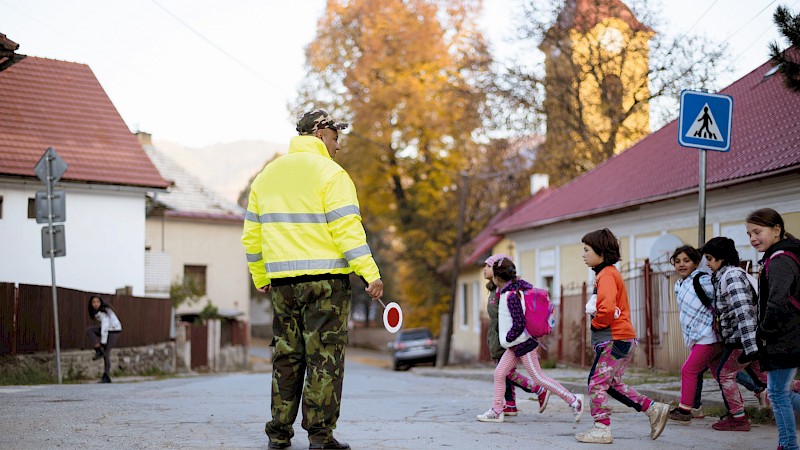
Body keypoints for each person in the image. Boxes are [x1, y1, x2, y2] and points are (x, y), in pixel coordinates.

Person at [242, 108, 384, 450]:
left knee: (286, 356)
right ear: (320, 133)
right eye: (336, 139)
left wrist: (261, 275)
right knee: (324, 356)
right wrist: (370, 274)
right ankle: (320, 436)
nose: (338, 147)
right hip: (326, 283)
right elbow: (347, 231)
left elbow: (252, 235)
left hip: (282, 284)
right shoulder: (332, 174)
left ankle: (278, 433)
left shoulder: (266, 176)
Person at [575, 229, 669, 444]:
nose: (583, 254)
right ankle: (653, 409)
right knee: (611, 384)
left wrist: (597, 325)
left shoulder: (606, 274)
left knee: (596, 383)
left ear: (600, 251)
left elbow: (606, 309)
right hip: (620, 339)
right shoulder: (607, 273)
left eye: (586, 250)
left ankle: (601, 428)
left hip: (613, 339)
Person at [476, 257, 583, 423]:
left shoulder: (511, 296)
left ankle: (574, 400)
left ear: (497, 277)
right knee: (499, 373)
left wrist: (508, 337)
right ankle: (497, 410)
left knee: (539, 378)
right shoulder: (506, 292)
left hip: (524, 344)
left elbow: (519, 323)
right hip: (514, 346)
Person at [745, 208, 800, 450]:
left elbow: (777, 301)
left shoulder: (780, 259)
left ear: (776, 229)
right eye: (749, 234)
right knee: (780, 392)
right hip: (789, 334)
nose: (753, 238)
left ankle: (788, 446)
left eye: (758, 231)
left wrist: (764, 331)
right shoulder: (779, 255)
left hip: (784, 336)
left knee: (777, 394)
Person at [701, 236, 760, 432]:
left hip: (742, 340)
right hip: (743, 339)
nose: (707, 264)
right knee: (765, 376)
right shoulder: (722, 276)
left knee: (724, 373)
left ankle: (739, 418)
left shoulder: (732, 276)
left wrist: (751, 347)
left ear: (722, 258)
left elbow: (744, 312)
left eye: (710, 258)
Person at [483, 253, 549, 417]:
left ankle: (538, 389)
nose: (484, 269)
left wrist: (507, 337)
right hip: (498, 335)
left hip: (506, 336)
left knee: (506, 372)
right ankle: (510, 404)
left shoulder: (503, 291)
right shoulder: (493, 289)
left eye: (488, 266)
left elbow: (510, 317)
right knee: (504, 372)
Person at [666, 245, 723, 424]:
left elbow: (718, 298)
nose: (681, 265)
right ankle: (750, 399)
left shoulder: (703, 279)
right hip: (696, 336)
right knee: (722, 373)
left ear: (696, 262)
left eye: (686, 261)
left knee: (689, 370)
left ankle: (685, 410)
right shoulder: (679, 284)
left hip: (708, 336)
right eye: (677, 261)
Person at [85, 295, 122, 384]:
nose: (96, 304)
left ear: (101, 302)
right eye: (93, 302)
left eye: (98, 302)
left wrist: (103, 343)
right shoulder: (96, 311)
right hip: (108, 329)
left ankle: (106, 376)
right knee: (90, 330)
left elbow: (105, 326)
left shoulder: (103, 311)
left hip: (114, 330)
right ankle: (98, 349)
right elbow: (104, 327)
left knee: (106, 352)